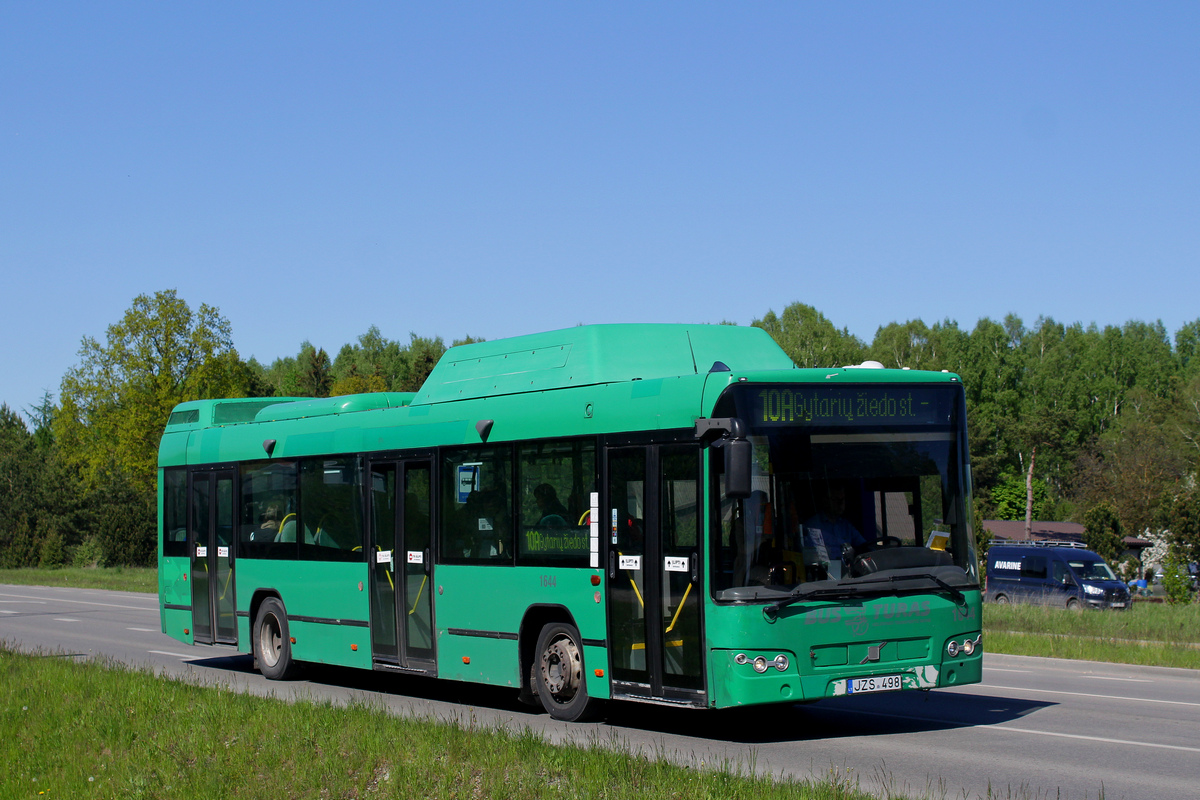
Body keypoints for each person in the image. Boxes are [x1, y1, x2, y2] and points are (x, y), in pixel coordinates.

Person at [803, 483, 867, 566]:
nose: (840, 504)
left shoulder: (846, 526)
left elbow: (864, 546)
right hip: (824, 574)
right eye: (835, 499)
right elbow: (811, 557)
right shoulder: (813, 526)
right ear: (825, 501)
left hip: (849, 575)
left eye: (842, 499)